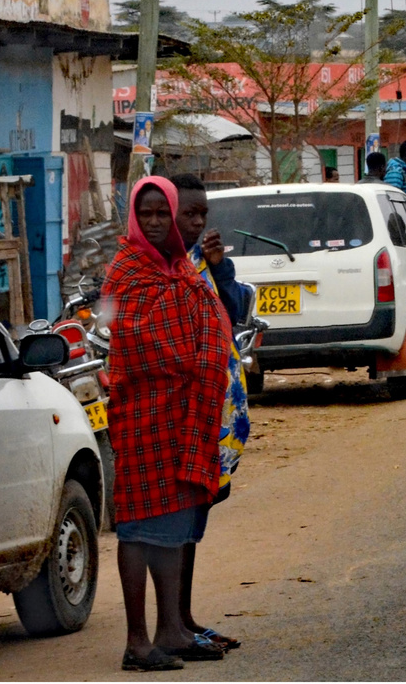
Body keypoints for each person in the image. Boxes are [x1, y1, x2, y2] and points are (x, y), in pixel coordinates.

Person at [104, 177, 231, 671]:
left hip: (183, 418)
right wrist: (186, 357)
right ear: (135, 218)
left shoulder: (181, 268)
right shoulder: (126, 271)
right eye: (148, 214)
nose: (156, 222)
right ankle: (137, 642)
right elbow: (130, 340)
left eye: (163, 213)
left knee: (174, 525)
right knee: (137, 529)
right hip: (141, 417)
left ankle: (171, 629)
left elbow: (215, 321)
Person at [166, 174, 250, 655]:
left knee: (195, 519)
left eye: (203, 215)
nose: (198, 223)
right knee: (180, 519)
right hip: (188, 412)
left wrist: (220, 268)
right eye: (188, 214)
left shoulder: (208, 263)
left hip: (219, 411)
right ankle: (173, 623)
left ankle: (185, 616)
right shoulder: (165, 268)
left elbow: (235, 310)